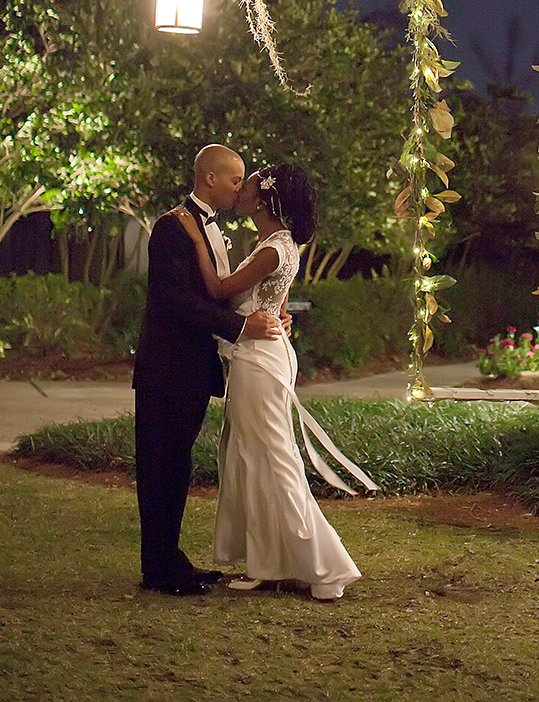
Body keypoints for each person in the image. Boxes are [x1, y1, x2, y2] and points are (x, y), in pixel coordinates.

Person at [173, 161, 375, 600]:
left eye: (246, 184)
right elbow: (264, 301)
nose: (239, 189)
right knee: (255, 457)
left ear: (263, 198)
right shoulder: (276, 243)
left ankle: (324, 566)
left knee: (271, 457)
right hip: (261, 353)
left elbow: (220, 290)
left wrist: (194, 239)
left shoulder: (273, 248)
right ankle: (269, 562)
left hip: (260, 361)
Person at [132, 144, 284, 596]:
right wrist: (241, 326)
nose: (242, 188)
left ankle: (169, 560)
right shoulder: (170, 228)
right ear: (210, 178)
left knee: (175, 465)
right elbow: (176, 302)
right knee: (159, 465)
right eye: (236, 180)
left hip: (193, 369)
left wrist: (266, 312)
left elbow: (218, 292)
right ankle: (158, 568)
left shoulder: (209, 230)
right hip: (166, 369)